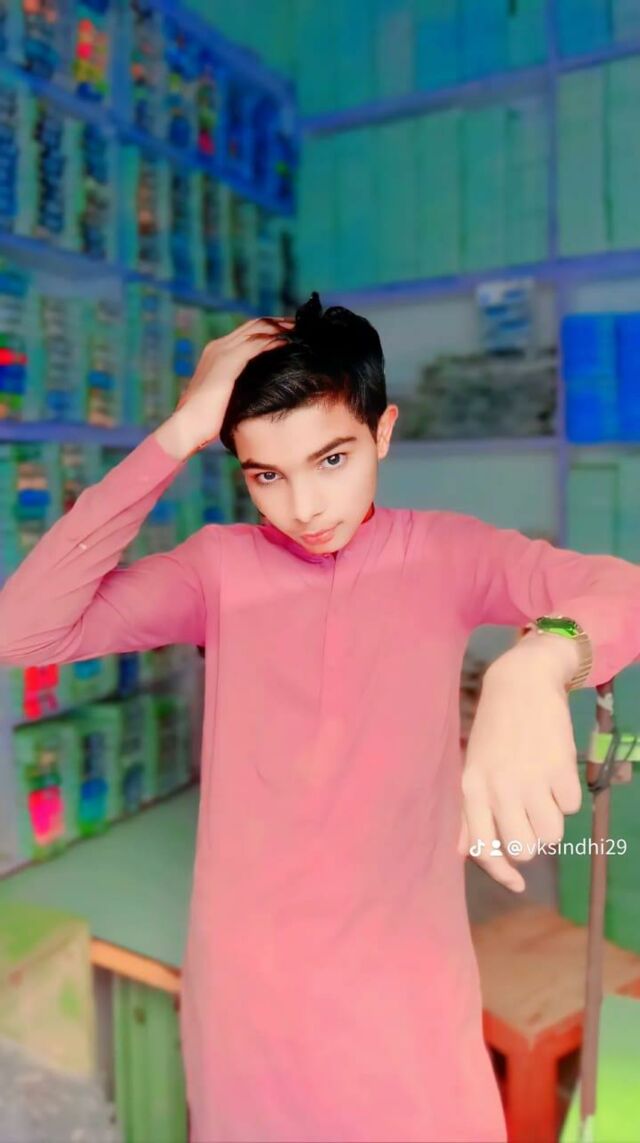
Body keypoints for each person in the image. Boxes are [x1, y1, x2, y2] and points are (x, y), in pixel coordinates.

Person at [1, 291, 640, 1143]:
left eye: (332, 458)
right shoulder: (216, 570)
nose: (303, 505)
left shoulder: (447, 552)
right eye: (266, 475)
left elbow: (621, 590)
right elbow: (23, 628)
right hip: (246, 1003)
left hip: (405, 994)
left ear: (383, 431)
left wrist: (538, 661)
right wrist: (178, 432)